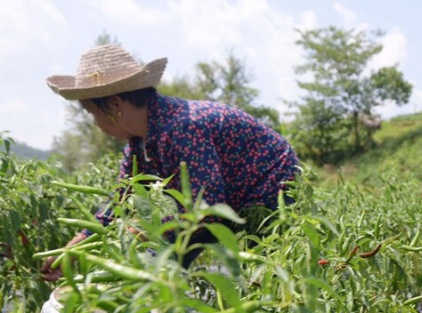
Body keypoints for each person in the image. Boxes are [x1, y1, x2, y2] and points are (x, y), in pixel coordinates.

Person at [41, 43, 299, 278]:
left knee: (273, 272)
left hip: (271, 186)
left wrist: (141, 231)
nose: (94, 122)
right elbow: (121, 200)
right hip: (225, 198)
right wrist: (73, 250)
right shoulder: (138, 144)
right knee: (150, 263)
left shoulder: (181, 127)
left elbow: (206, 209)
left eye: (92, 112)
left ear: (115, 105)